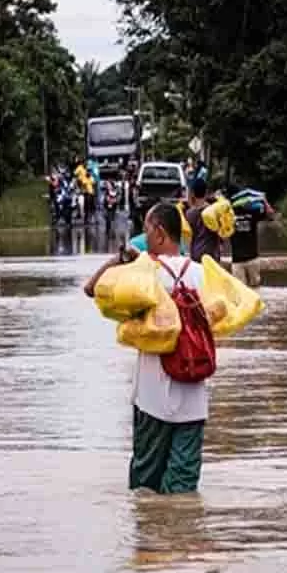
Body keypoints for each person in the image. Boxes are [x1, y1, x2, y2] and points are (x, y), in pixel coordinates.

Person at [83, 203, 212, 494]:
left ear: (159, 232)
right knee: (183, 489)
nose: (144, 234)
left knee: (145, 487)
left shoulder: (144, 275)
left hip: (152, 399)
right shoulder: (202, 274)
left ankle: (150, 539)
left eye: (146, 228)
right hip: (194, 400)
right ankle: (180, 538)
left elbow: (91, 289)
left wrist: (121, 258)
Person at [228, 190, 275, 287]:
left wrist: (264, 200)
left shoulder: (252, 211)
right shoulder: (228, 214)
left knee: (253, 290)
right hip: (240, 260)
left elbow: (270, 215)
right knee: (241, 291)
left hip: (250, 259)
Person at [183, 179, 222, 263]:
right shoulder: (215, 210)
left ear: (192, 193)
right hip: (212, 256)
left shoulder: (189, 214)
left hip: (196, 256)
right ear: (206, 192)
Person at [74, 158, 96, 223]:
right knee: (86, 205)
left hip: (91, 193)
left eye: (88, 171)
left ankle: (92, 217)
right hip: (86, 193)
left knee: (92, 206)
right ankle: (85, 218)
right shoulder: (83, 178)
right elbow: (81, 182)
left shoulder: (91, 177)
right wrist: (79, 183)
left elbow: (93, 183)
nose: (88, 172)